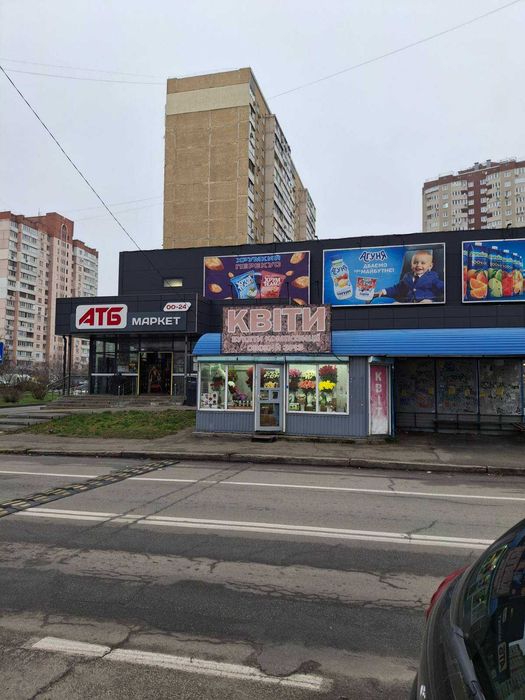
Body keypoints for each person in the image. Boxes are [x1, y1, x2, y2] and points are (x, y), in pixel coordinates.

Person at [373, 250, 444, 304]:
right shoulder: (407, 276)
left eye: (423, 263)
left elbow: (442, 286)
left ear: (430, 266)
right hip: (410, 303)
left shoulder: (432, 277)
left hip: (425, 301)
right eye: (415, 262)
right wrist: (384, 291)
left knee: (426, 302)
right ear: (411, 265)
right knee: (395, 303)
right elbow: (398, 288)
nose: (418, 265)